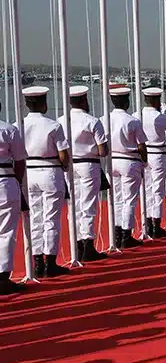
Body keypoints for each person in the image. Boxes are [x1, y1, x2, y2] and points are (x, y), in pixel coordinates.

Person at [22, 85, 70, 278]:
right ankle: (50, 261)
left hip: (29, 173)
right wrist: (65, 166)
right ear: (43, 103)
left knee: (35, 217)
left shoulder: (20, 124)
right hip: (50, 170)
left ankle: (37, 262)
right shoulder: (53, 125)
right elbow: (63, 155)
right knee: (51, 218)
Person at [60, 85, 108, 261]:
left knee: (73, 205)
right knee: (88, 205)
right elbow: (103, 151)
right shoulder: (92, 121)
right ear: (83, 100)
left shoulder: (61, 120)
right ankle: (87, 244)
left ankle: (77, 244)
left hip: (70, 166)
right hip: (88, 164)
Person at [108, 86, 148, 249]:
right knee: (129, 199)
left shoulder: (105, 118)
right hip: (129, 160)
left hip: (113, 161)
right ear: (126, 101)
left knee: (117, 198)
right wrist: (144, 163)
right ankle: (126, 235)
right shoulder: (132, 121)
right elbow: (141, 146)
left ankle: (117, 232)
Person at [140, 86, 166, 239]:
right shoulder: (162, 117)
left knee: (146, 188)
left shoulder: (137, 115)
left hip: (144, 154)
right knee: (158, 190)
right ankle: (156, 224)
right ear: (156, 100)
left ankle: (147, 221)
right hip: (158, 154)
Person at [0, 109, 27, 295]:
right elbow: (19, 161)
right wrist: (16, 181)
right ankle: (2, 278)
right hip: (5, 181)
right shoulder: (9, 130)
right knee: (6, 232)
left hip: (6, 179)